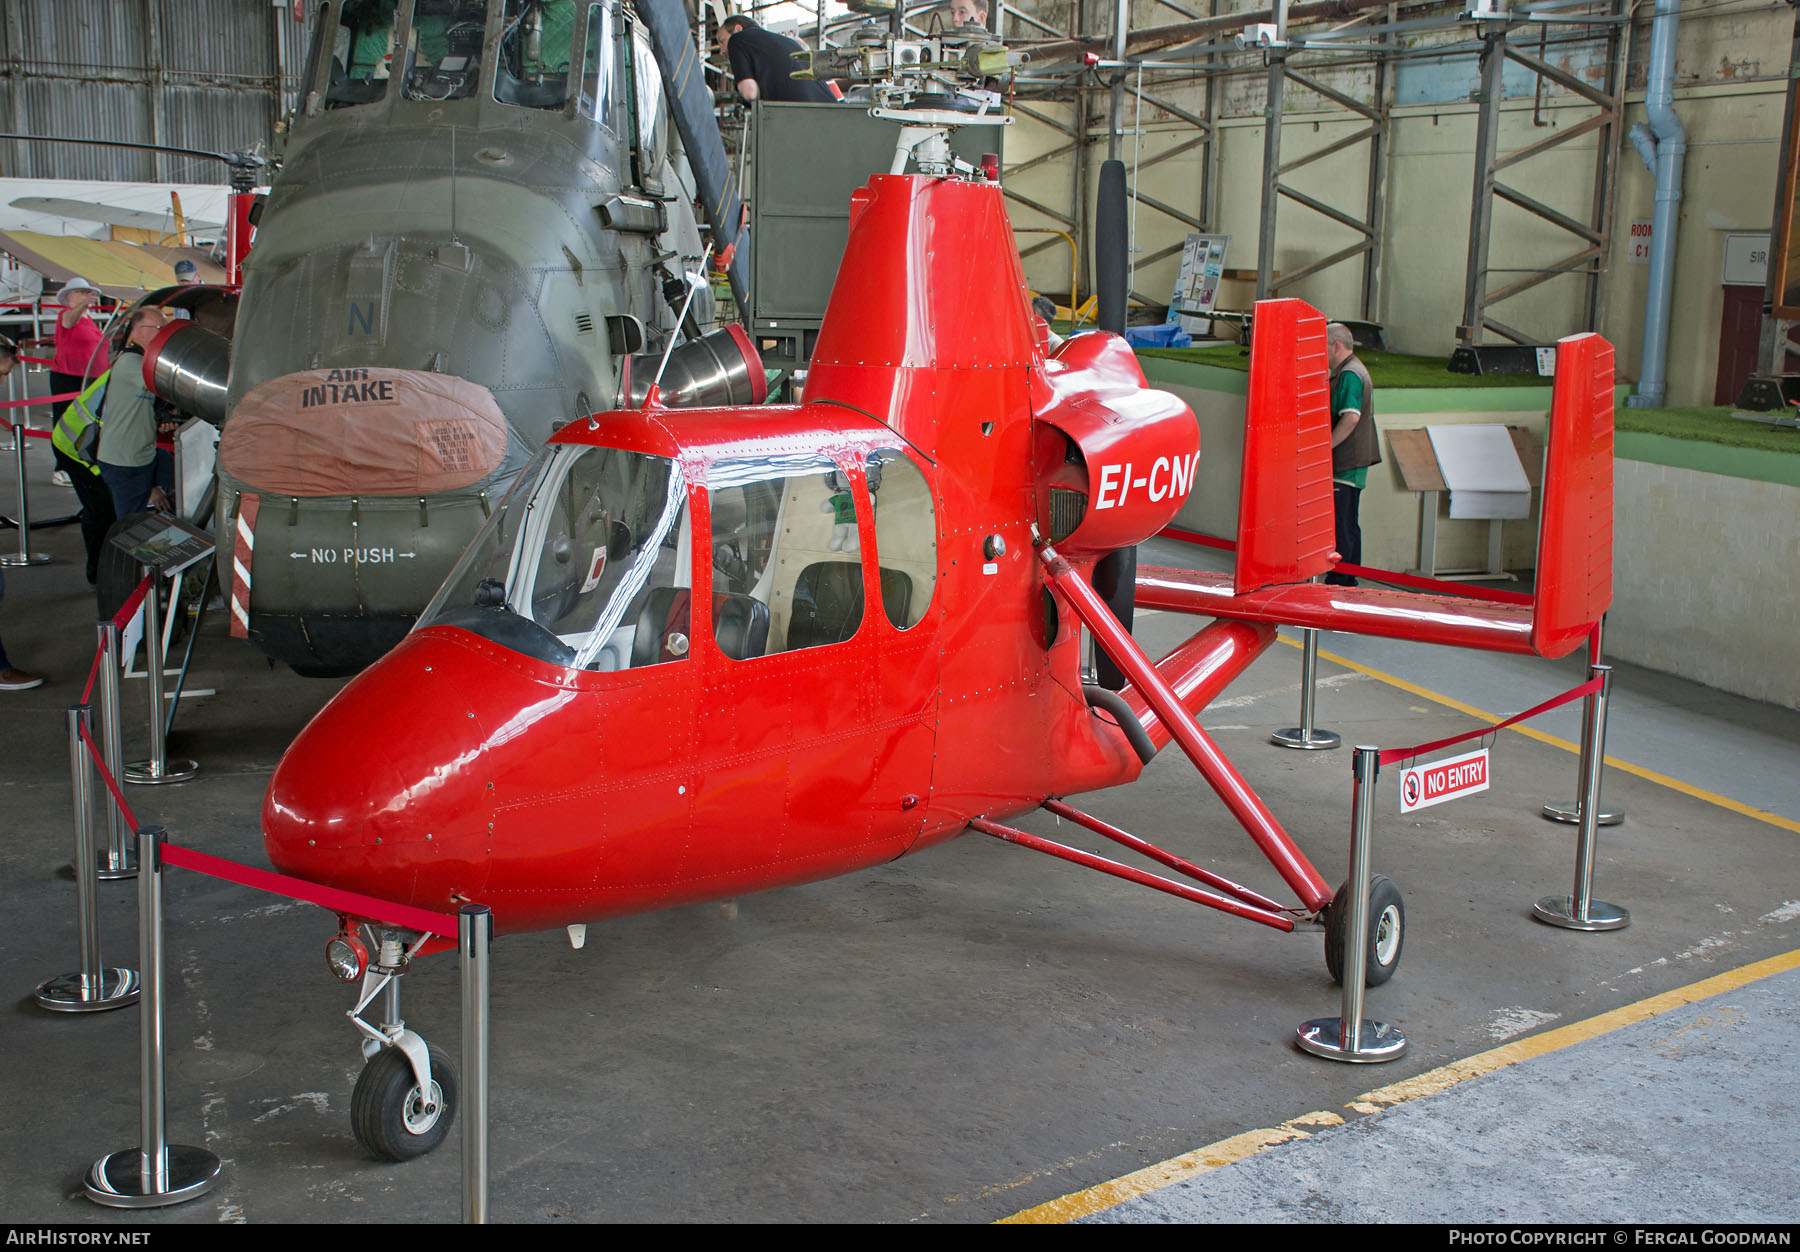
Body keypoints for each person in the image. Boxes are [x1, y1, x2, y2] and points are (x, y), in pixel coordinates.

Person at [96, 306, 175, 519]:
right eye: (160, 328)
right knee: (130, 525)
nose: (164, 333)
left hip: (142, 455)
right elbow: (168, 385)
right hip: (125, 462)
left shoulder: (141, 363)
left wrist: (159, 421)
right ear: (139, 331)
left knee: (181, 474)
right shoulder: (131, 363)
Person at [1324, 321, 1381, 587]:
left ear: (1336, 345)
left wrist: (1326, 446)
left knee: (1343, 523)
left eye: (1324, 347)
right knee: (1348, 522)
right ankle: (1347, 575)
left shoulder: (1349, 375)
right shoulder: (1352, 371)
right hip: (1351, 461)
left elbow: (1350, 417)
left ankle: (1342, 577)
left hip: (1346, 463)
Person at [715, 16, 835, 104]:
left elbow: (749, 92)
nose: (722, 51)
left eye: (722, 41)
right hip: (832, 110)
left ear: (738, 29)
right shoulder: (786, 41)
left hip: (803, 116)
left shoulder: (737, 39)